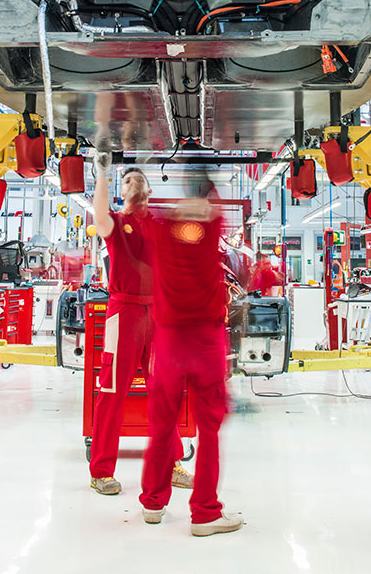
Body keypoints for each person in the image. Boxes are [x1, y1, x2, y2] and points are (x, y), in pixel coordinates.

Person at [139, 175, 242, 536]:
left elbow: (143, 212)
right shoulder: (212, 227)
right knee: (209, 430)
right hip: (207, 342)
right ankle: (205, 514)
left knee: (162, 425)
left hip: (168, 343)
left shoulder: (161, 228)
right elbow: (211, 207)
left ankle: (153, 503)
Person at [88, 155, 193, 496]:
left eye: (138, 180)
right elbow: (99, 216)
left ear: (149, 189)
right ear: (122, 193)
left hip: (158, 315)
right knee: (111, 393)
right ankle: (101, 471)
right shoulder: (116, 224)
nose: (134, 184)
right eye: (127, 181)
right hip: (125, 315)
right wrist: (102, 173)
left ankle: (172, 463)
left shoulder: (161, 227)